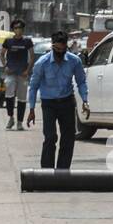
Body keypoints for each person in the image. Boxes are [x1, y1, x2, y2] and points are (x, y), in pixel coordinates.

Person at [26, 31, 90, 170]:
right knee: (50, 137)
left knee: (68, 138)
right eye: (57, 50)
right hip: (49, 104)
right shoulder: (41, 63)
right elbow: (34, 86)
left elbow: (81, 82)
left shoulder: (74, 61)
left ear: (66, 47)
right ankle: (47, 172)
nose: (60, 53)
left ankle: (63, 171)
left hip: (67, 102)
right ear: (52, 47)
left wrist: (85, 100)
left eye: (63, 50)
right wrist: (31, 109)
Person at [0, 19, 33, 130]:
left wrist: (27, 70)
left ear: (23, 29)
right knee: (9, 91)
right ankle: (11, 118)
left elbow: (32, 57)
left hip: (22, 73)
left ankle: (19, 122)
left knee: (22, 98)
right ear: (13, 29)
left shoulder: (27, 41)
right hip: (11, 73)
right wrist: (6, 66)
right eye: (15, 28)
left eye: (20, 28)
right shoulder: (8, 41)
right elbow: (2, 55)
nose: (18, 30)